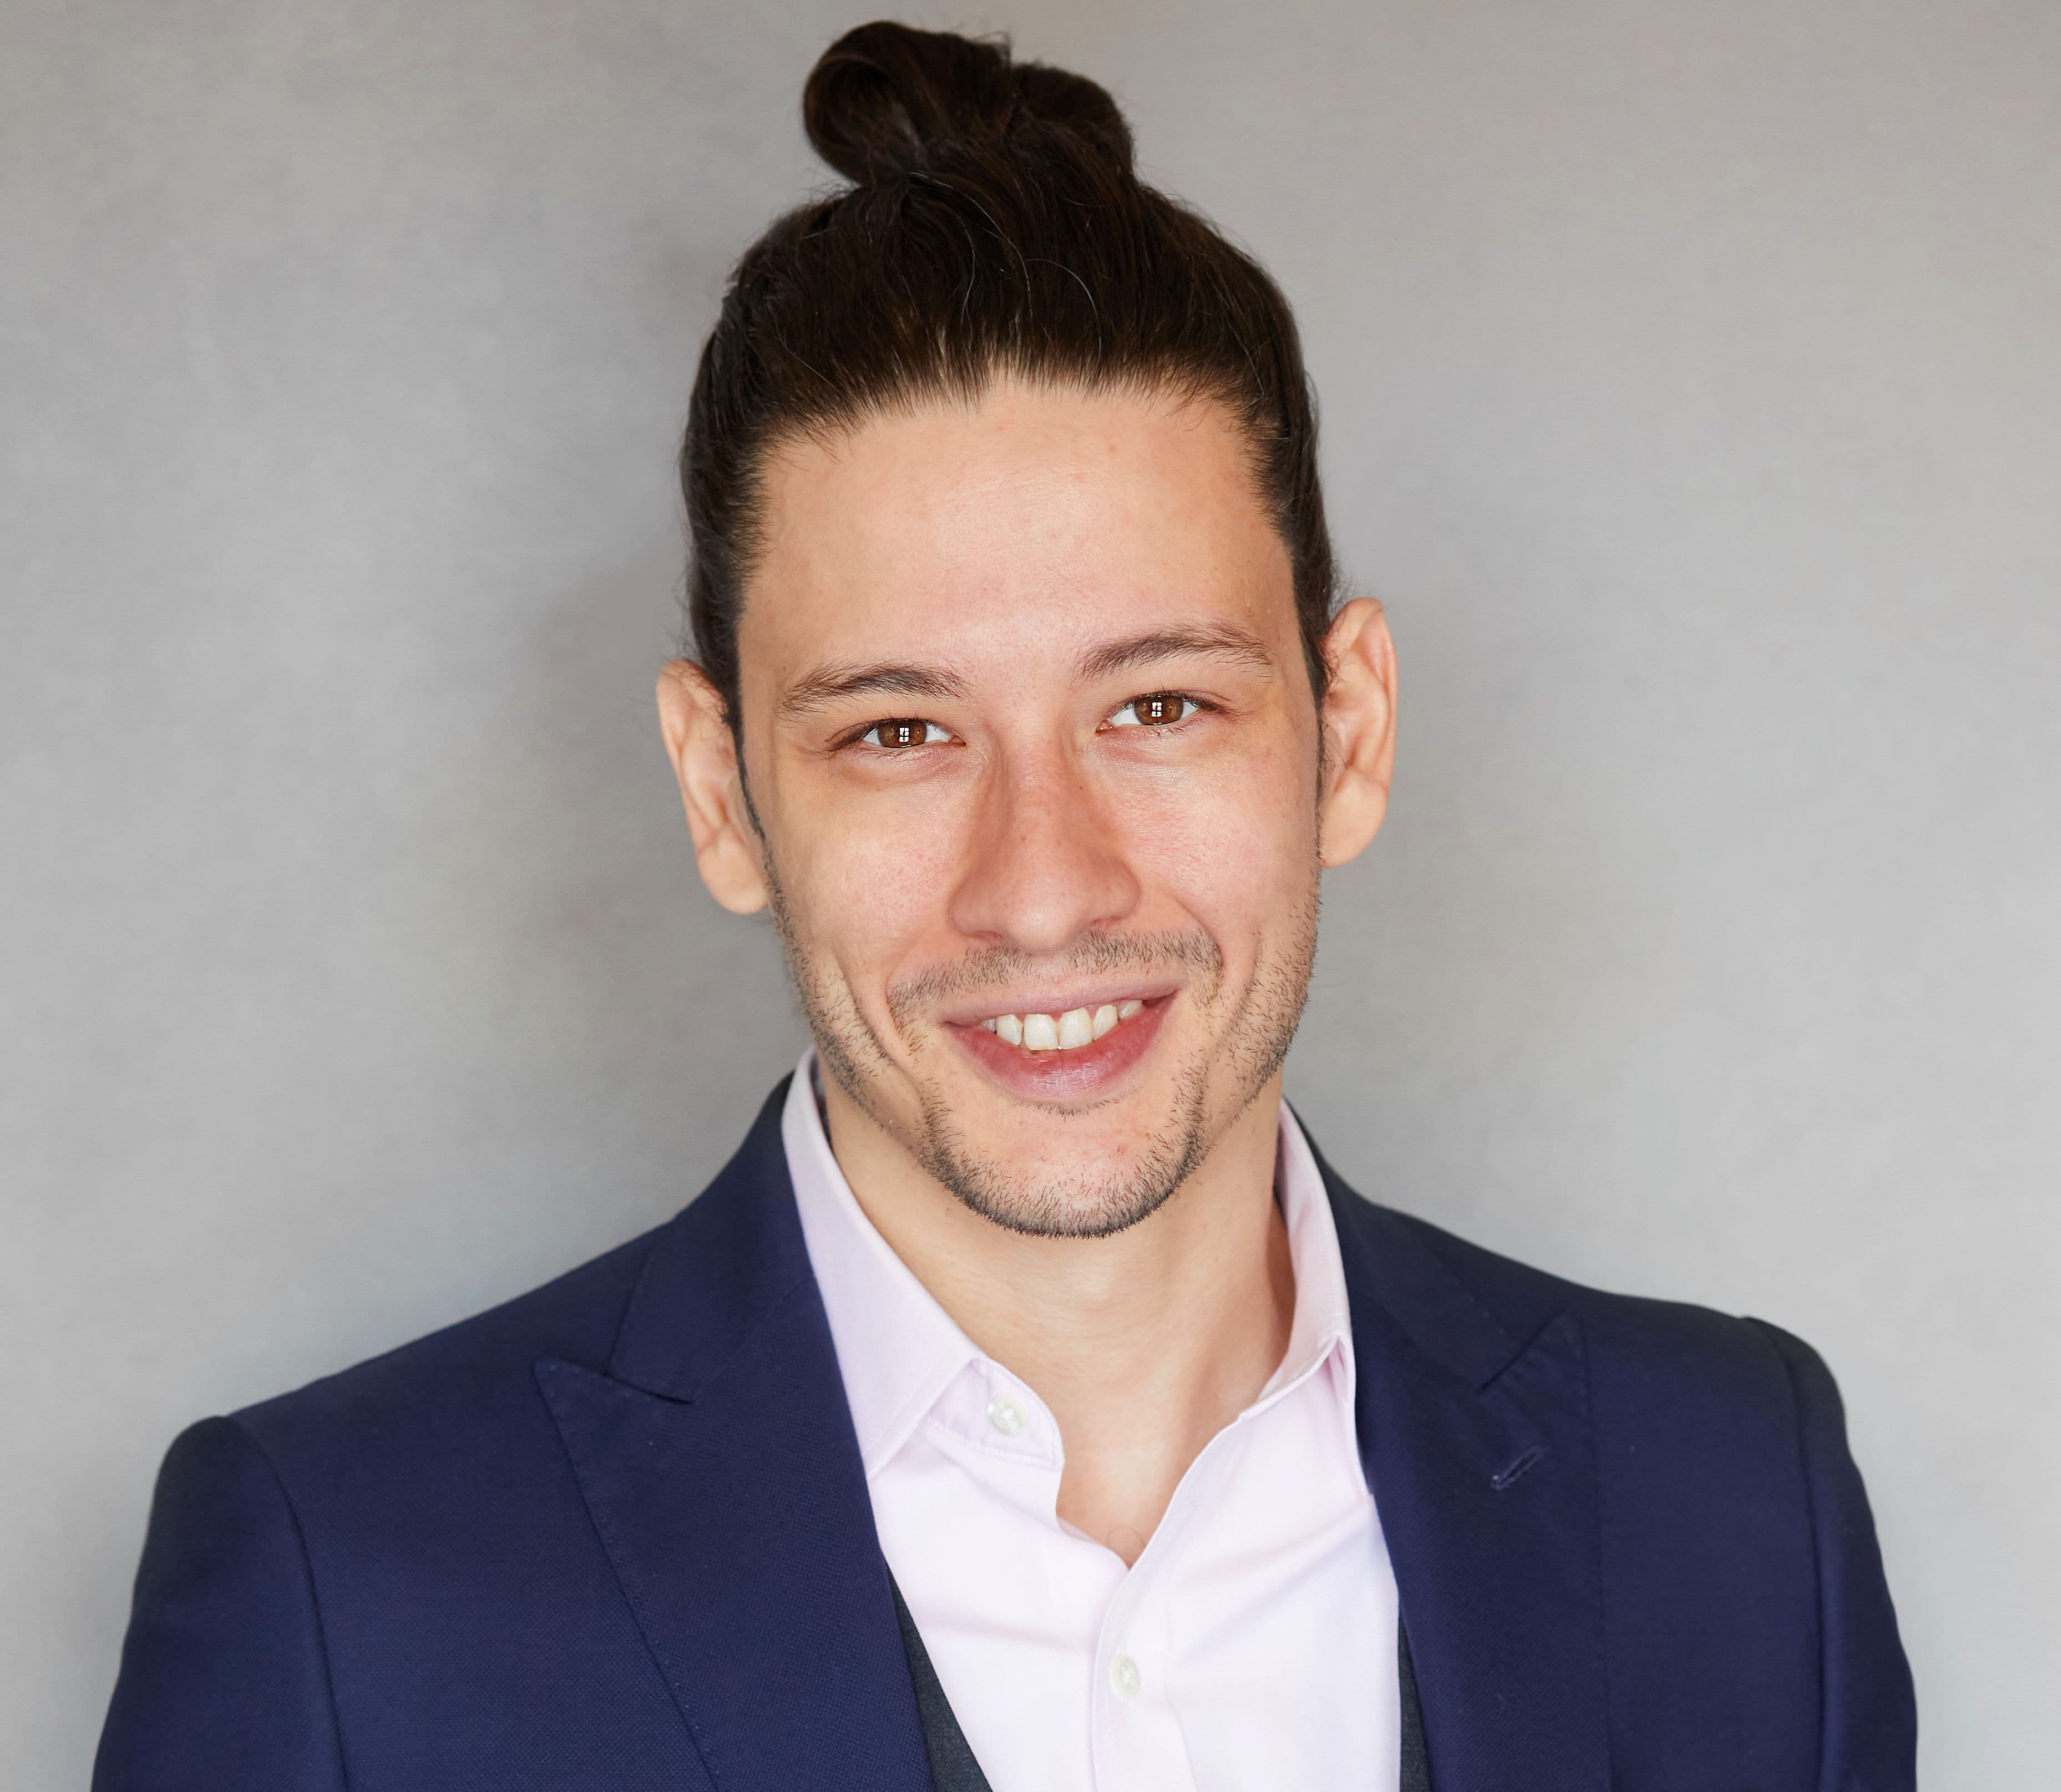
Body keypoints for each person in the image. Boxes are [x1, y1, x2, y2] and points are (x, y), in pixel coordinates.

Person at [94, 22, 1916, 1792]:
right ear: (722, 791)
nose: (1041, 886)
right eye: (898, 731)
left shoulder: (1733, 1506)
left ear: (1344, 733)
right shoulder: (343, 1587)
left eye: (1157, 707)